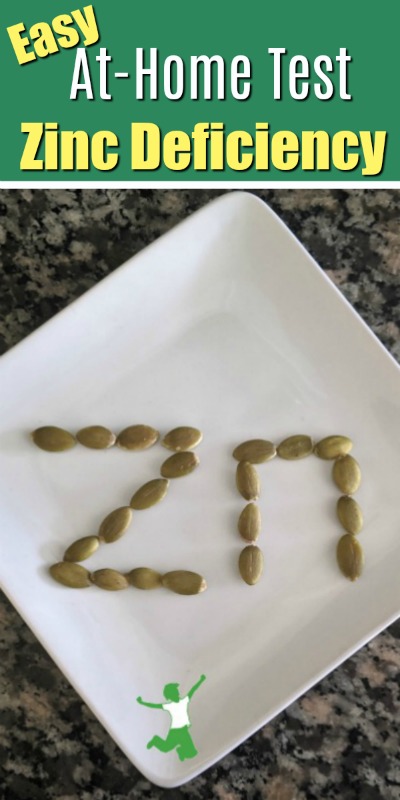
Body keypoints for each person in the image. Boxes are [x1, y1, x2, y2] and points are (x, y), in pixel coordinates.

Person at [136, 674, 206, 761]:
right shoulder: (169, 706)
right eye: (175, 691)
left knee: (192, 752)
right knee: (166, 748)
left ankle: (181, 751)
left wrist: (201, 680)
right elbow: (154, 706)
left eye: (177, 691)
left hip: (183, 730)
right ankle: (155, 740)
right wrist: (142, 702)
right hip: (175, 731)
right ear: (170, 695)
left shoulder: (184, 701)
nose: (178, 692)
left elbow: (193, 690)